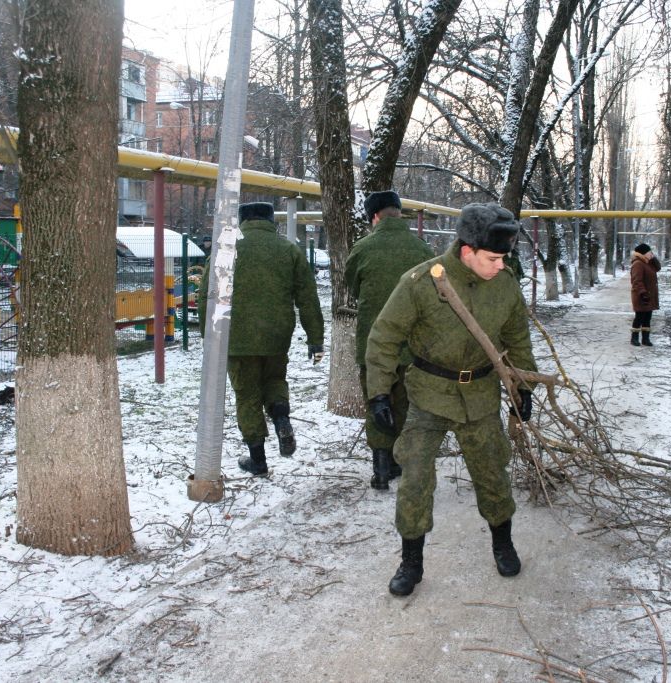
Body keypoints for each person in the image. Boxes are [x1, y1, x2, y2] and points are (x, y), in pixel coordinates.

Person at [365, 202, 539, 597]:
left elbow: (517, 339)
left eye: (503, 258)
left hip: (479, 395)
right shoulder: (422, 282)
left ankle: (503, 543)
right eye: (492, 258)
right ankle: (411, 561)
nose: (500, 265)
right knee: (415, 478)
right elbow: (384, 337)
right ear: (467, 250)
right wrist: (378, 393)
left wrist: (522, 386)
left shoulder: (505, 284)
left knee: (493, 472)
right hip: (429, 394)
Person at [197, 202, 325, 475]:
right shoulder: (289, 250)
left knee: (247, 395)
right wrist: (315, 339)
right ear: (271, 221)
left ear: (242, 221)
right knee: (275, 380)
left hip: (237, 338)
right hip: (277, 336)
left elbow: (206, 295)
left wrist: (208, 338)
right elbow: (308, 298)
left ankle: (258, 459)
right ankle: (281, 419)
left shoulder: (227, 250)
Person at [344, 190, 434, 490]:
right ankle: (400, 462)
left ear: (374, 217)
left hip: (374, 343)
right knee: (405, 403)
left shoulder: (362, 248)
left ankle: (381, 469)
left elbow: (353, 287)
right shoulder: (422, 249)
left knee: (377, 400)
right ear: (398, 212)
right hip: (412, 344)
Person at [629, 243, 661, 347]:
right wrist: (643, 293)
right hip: (641, 295)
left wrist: (653, 258)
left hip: (649, 295)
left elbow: (658, 268)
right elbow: (636, 281)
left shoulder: (647, 263)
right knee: (639, 317)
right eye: (649, 252)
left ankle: (645, 339)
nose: (651, 253)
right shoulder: (638, 264)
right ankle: (634, 338)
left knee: (647, 317)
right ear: (643, 253)